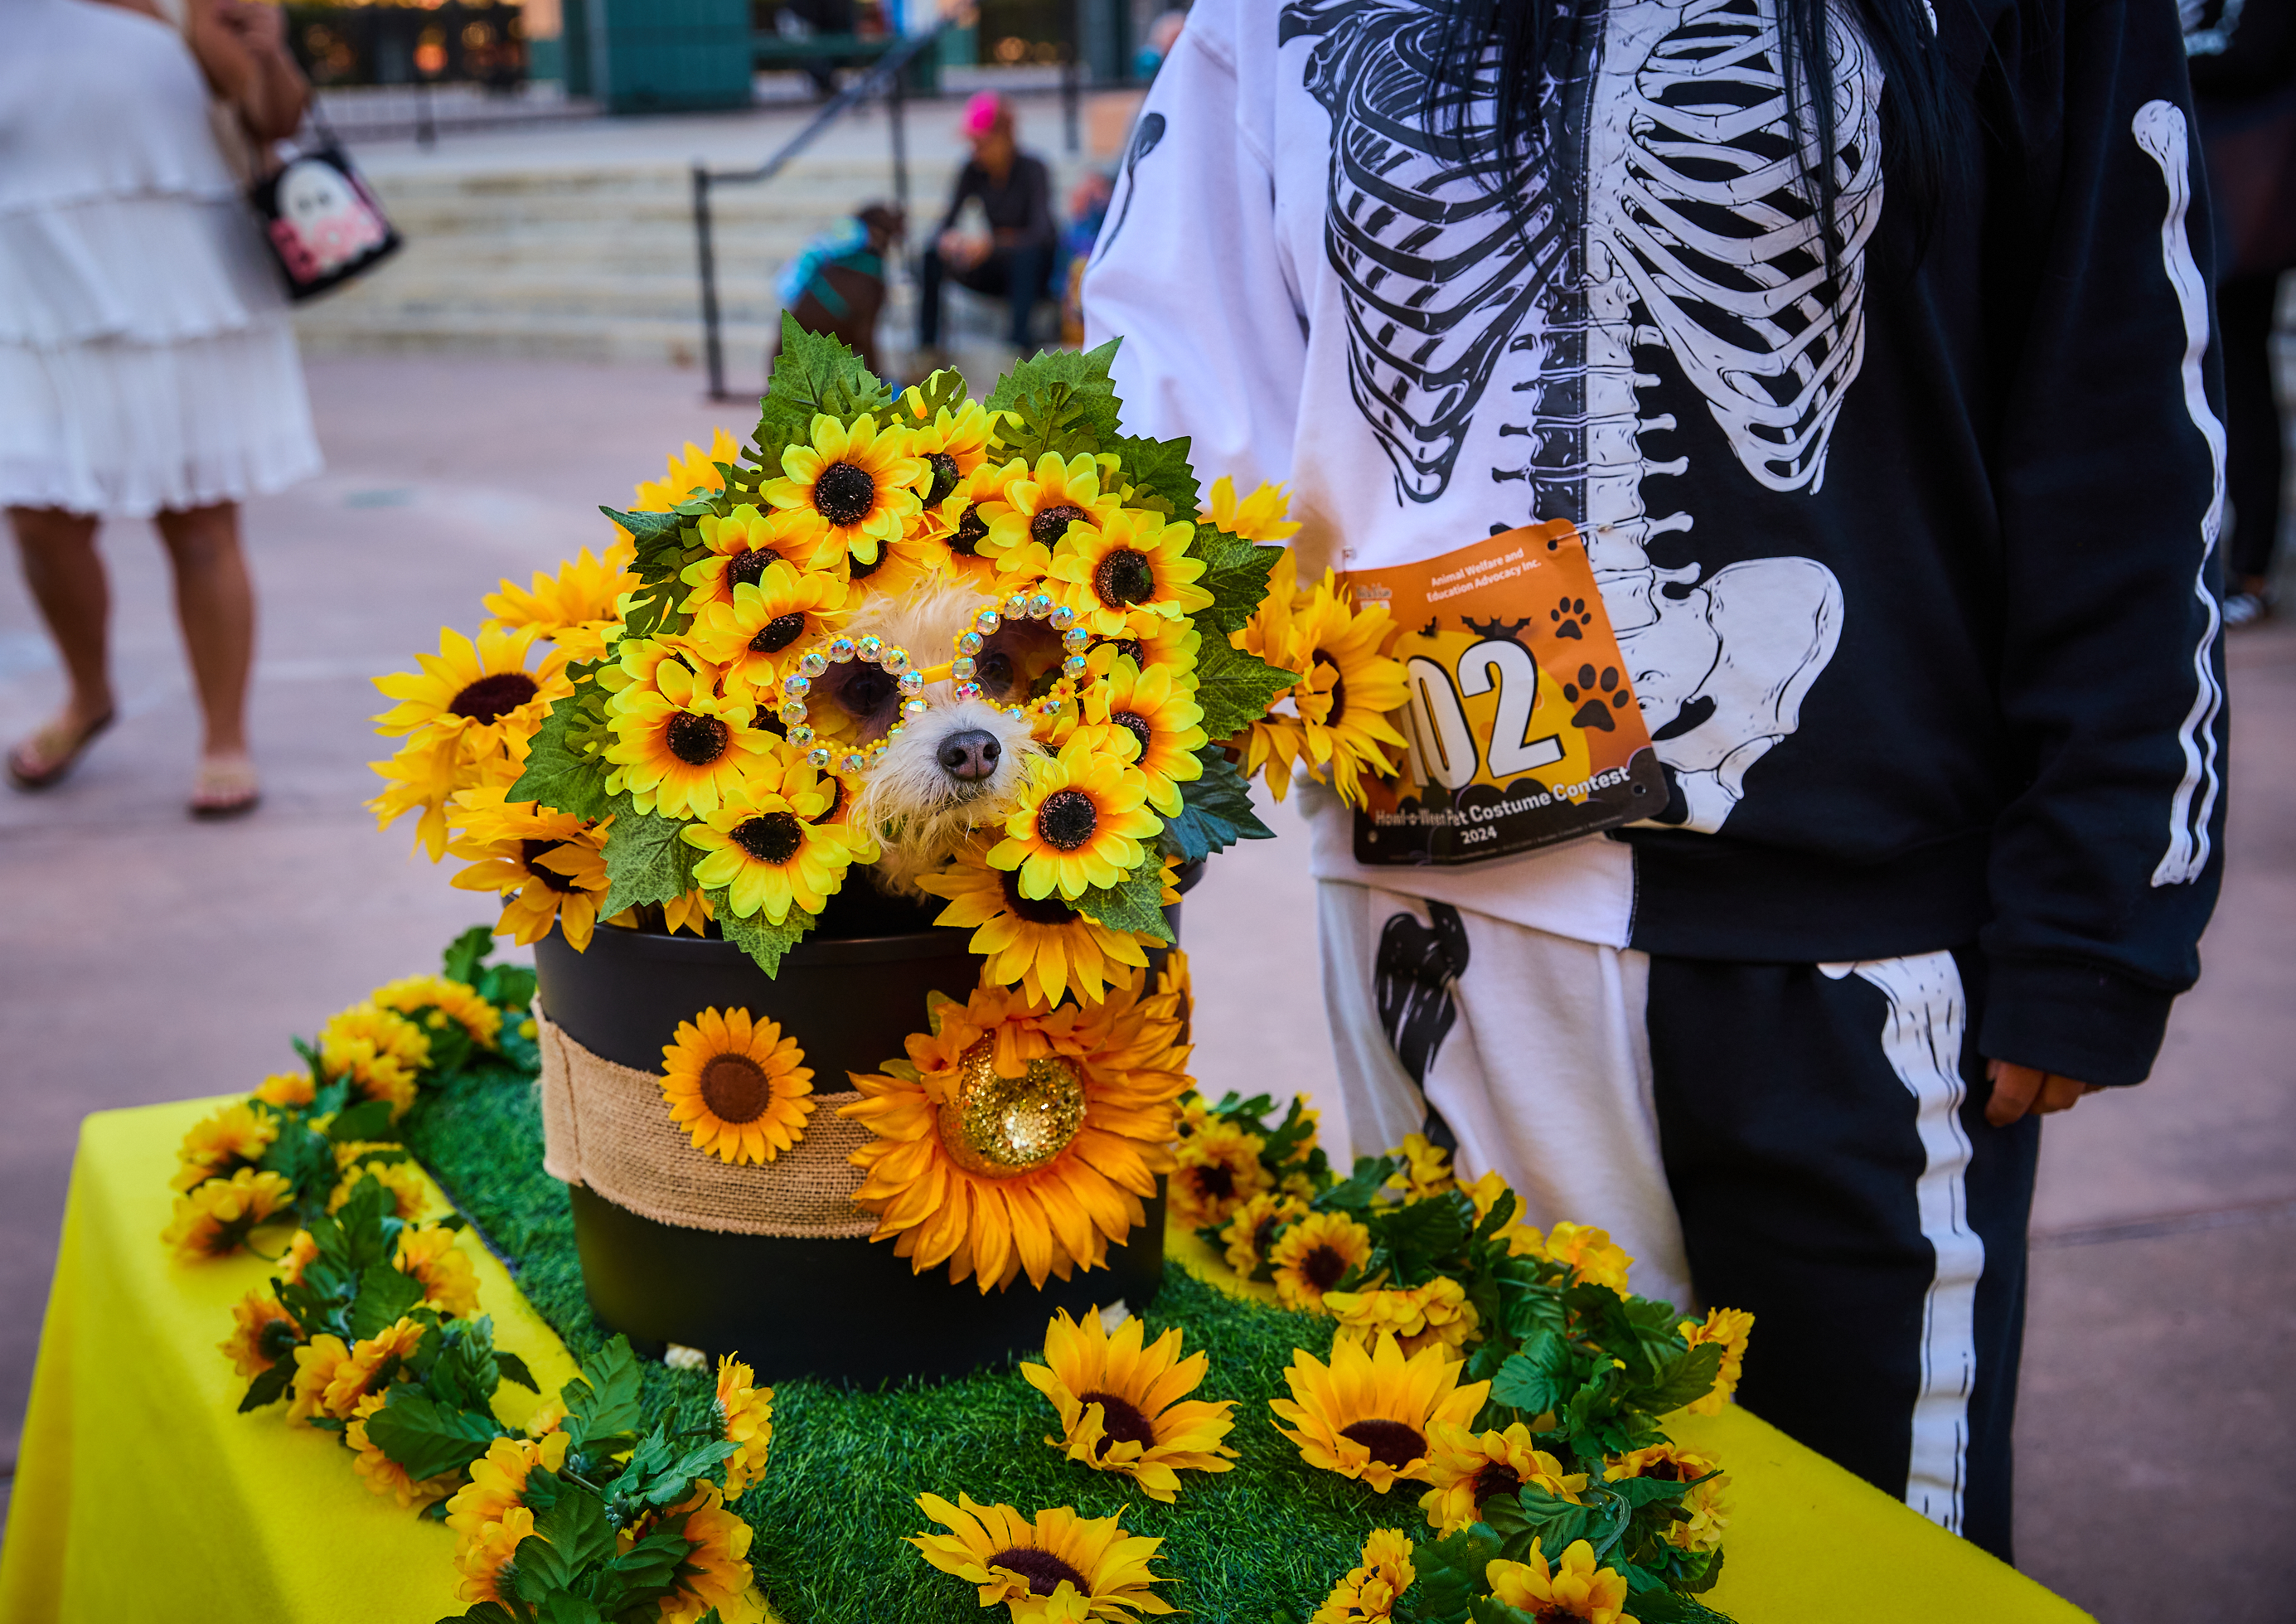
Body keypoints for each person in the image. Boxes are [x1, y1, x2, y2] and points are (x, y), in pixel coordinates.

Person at [1085, 0, 2226, 1561]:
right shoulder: (1260, 19)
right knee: (1488, 1536)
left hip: (1848, 943)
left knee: (1867, 1562)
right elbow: (1163, 394)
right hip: (1438, 915)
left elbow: (2119, 414)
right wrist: (1096, 801)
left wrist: (2102, 900)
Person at [0, 0, 321, 817]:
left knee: (197, 523)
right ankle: (89, 695)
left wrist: (271, 56)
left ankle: (225, 736)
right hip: (39, 296)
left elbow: (275, 117)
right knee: (38, 519)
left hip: (181, 287)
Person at [2189, 0, 2296, 627]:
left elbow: (2255, 54)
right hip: (2202, 194)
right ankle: (2228, 561)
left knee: (2239, 371)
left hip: (2249, 204)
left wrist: (2162, 59)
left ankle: (2251, 572)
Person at [913, 92, 1056, 366]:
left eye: (982, 143)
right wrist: (949, 241)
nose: (976, 151)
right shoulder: (972, 170)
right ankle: (927, 348)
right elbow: (945, 223)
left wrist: (992, 244)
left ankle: (1017, 346)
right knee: (931, 255)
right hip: (993, 266)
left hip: (1033, 272)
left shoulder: (1033, 169)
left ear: (1004, 137)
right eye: (973, 144)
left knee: (1027, 256)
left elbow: (1043, 234)